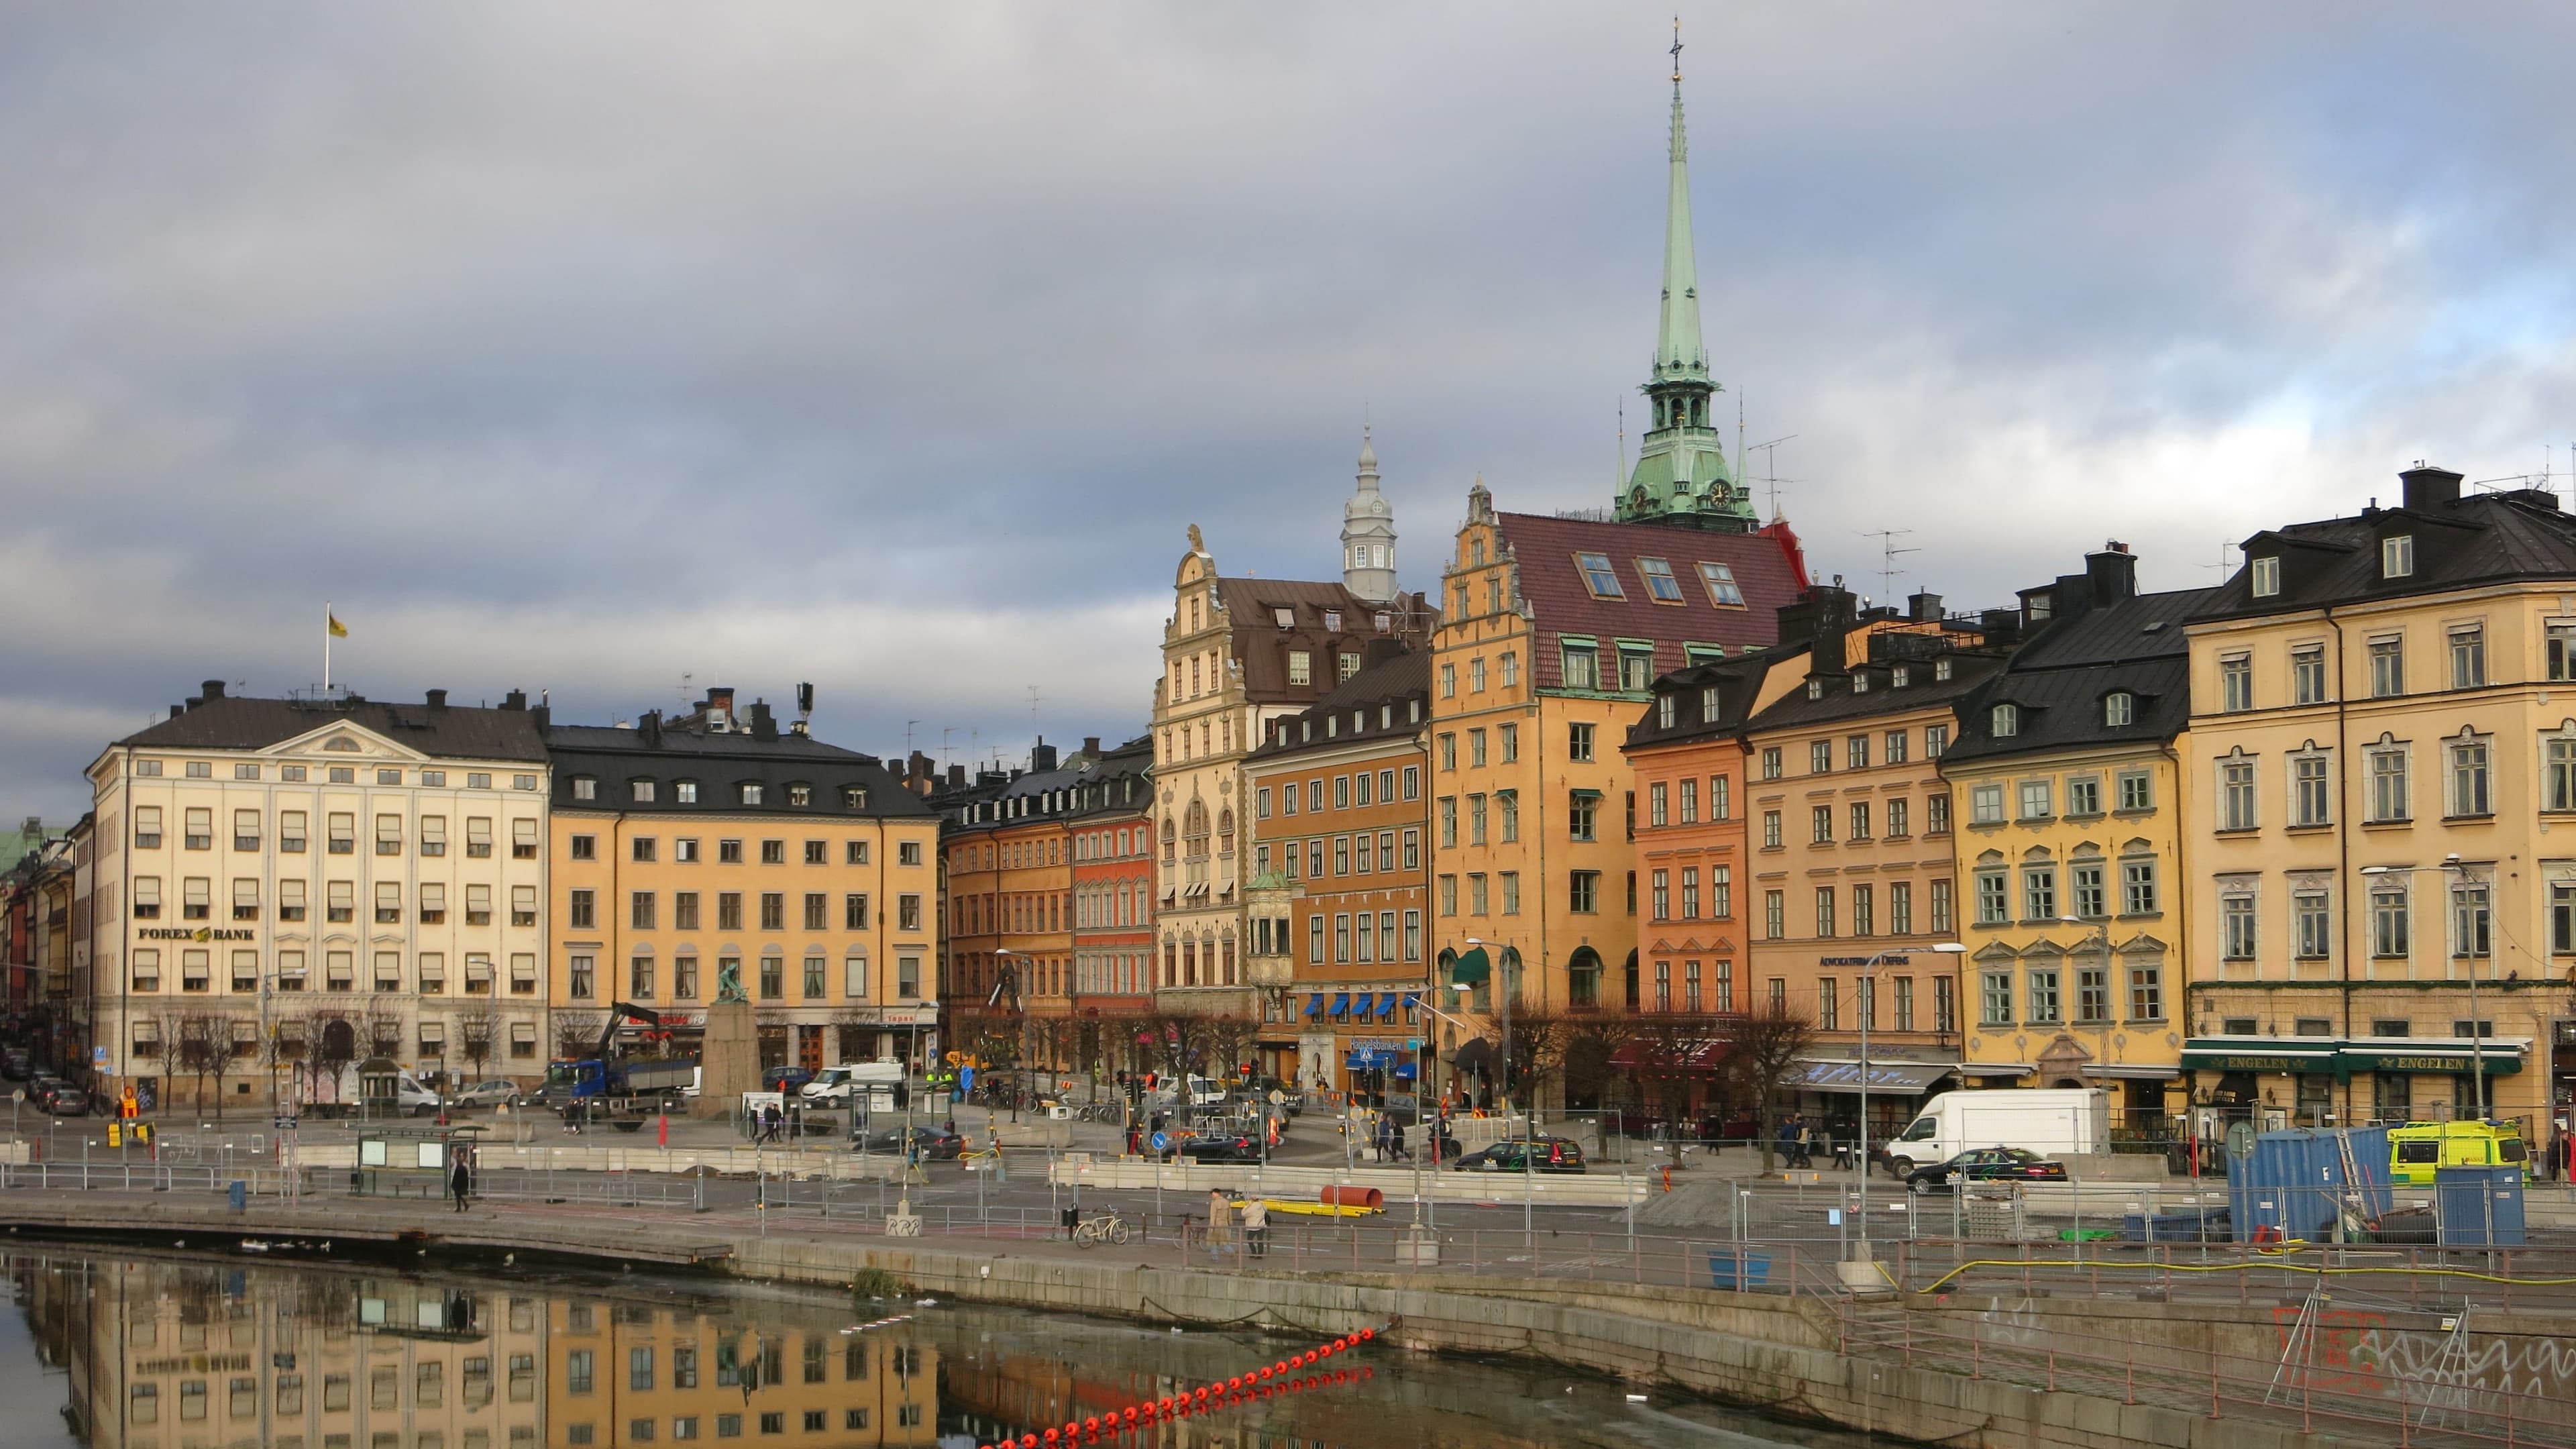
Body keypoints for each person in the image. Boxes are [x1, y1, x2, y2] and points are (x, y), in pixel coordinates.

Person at [1240, 1193, 1269, 1258]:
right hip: (1261, 1225)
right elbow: (1266, 1211)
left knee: (1250, 1239)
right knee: (1260, 1240)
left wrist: (1246, 1206)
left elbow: (1244, 1214)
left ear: (1252, 1200)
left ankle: (1253, 1253)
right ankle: (1260, 1255)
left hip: (1252, 1226)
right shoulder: (1262, 1205)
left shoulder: (1251, 1207)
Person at [448, 1144, 472, 1213]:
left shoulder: (459, 1163)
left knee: (458, 1194)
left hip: (458, 1181)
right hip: (456, 1180)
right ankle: (464, 1205)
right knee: (458, 1195)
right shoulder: (452, 1160)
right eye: (455, 1152)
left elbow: (464, 1172)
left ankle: (462, 1206)